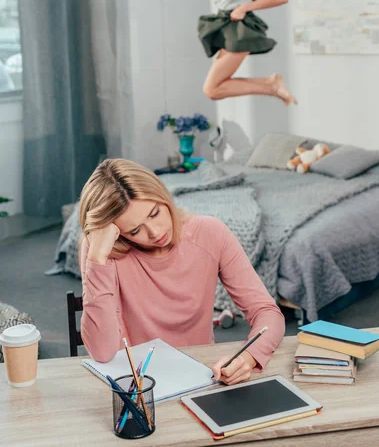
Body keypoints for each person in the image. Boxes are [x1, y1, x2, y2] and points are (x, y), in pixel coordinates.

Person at [79, 158, 285, 385]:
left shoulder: (210, 233)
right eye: (136, 230)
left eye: (155, 213)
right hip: (135, 385)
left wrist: (248, 357)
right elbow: (102, 351)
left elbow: (267, 312)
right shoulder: (102, 251)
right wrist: (97, 258)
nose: (155, 232)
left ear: (163, 196)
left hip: (199, 377)